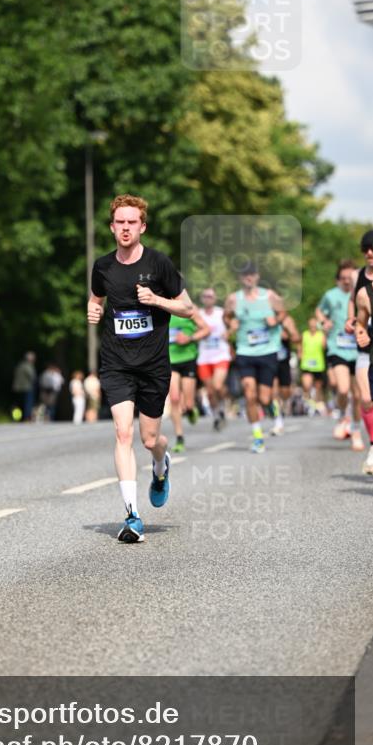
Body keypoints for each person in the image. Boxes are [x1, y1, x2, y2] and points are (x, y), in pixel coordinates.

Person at [87, 194, 192, 543]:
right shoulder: (102, 267)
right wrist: (93, 311)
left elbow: (188, 308)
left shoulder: (159, 264)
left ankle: (161, 468)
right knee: (122, 434)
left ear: (142, 226)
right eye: (120, 222)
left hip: (153, 365)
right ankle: (132, 515)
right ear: (112, 226)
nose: (126, 228)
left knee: (149, 440)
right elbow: (96, 297)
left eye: (132, 222)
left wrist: (156, 300)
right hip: (116, 363)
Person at [224, 262, 287, 454]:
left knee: (265, 398)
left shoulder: (268, 296)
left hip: (267, 352)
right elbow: (226, 317)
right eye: (245, 275)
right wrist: (231, 324)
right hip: (245, 352)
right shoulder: (234, 299)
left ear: (257, 276)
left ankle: (272, 409)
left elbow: (283, 312)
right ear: (241, 278)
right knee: (250, 394)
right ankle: (258, 437)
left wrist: (275, 320)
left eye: (252, 274)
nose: (248, 277)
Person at [316, 259, 364, 452]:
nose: (346, 281)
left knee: (359, 395)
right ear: (338, 280)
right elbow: (319, 312)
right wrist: (323, 322)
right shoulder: (330, 295)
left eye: (349, 277)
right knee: (343, 389)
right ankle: (344, 416)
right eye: (343, 278)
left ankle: (356, 430)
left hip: (359, 349)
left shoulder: (361, 293)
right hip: (338, 349)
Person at [168, 304, 210, 453]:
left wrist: (190, 338)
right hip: (169, 359)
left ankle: (191, 410)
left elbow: (206, 329)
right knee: (174, 398)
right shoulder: (160, 307)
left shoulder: (188, 308)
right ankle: (179, 437)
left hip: (188, 359)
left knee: (188, 403)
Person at [196, 286, 232, 431]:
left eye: (210, 296)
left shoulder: (221, 313)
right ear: (202, 299)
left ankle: (223, 403)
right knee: (210, 391)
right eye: (205, 296)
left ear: (215, 298)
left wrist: (229, 332)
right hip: (204, 357)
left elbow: (235, 324)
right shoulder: (198, 314)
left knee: (218, 386)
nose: (208, 299)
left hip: (221, 355)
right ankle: (217, 414)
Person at [355, 264, 373, 475]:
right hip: (372, 356)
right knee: (368, 400)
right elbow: (360, 324)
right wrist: (361, 334)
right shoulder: (364, 294)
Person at [270, 312, 301, 434]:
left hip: (283, 360)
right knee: (273, 391)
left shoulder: (288, 320)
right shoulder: (266, 318)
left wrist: (288, 333)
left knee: (285, 392)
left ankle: (281, 411)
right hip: (269, 359)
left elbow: (296, 338)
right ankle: (278, 421)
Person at [299, 316, 327, 413]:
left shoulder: (321, 335)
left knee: (318, 387)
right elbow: (300, 346)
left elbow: (324, 347)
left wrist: (324, 333)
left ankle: (317, 403)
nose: (312, 327)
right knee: (307, 385)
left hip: (318, 364)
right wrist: (300, 354)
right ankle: (308, 401)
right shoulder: (305, 334)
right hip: (306, 364)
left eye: (314, 325)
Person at [12, 352, 36, 422]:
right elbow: (32, 376)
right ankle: (26, 418)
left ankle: (17, 417)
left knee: (19, 404)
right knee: (28, 404)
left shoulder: (19, 365)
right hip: (27, 387)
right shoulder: (28, 366)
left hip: (17, 388)